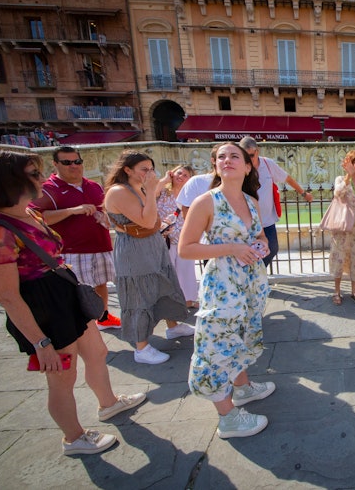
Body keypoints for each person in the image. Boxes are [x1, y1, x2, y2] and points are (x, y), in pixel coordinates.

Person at [0, 148, 145, 456]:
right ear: (7, 182)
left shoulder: (26, 213)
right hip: (44, 308)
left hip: (63, 295)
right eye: (34, 174)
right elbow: (7, 296)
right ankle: (74, 438)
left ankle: (108, 403)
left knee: (97, 352)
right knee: (62, 378)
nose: (42, 178)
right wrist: (41, 343)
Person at [178, 141, 275, 439]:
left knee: (240, 336)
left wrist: (262, 244)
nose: (227, 160)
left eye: (235, 156)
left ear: (247, 166)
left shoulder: (251, 200)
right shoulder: (206, 202)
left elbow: (260, 235)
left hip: (249, 282)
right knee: (216, 344)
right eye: (221, 157)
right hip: (222, 284)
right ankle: (227, 417)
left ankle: (242, 388)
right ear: (216, 166)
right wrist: (232, 248)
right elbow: (185, 248)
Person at [104, 150, 191, 365]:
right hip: (135, 250)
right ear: (127, 170)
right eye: (144, 169)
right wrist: (152, 190)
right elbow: (147, 220)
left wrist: (153, 189)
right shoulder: (119, 192)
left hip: (152, 244)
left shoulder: (139, 188)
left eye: (151, 168)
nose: (149, 173)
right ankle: (141, 348)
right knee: (138, 295)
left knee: (165, 284)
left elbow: (153, 219)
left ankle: (173, 327)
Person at [30, 146, 120, 331]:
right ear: (55, 164)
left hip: (100, 246)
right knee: (78, 291)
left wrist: (105, 217)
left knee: (101, 284)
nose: (74, 166)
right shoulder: (47, 189)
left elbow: (104, 210)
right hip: (72, 251)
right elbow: (37, 218)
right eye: (67, 162)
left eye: (77, 161)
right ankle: (83, 328)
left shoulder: (93, 185)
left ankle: (103, 318)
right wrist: (72, 211)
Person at [239, 136, 313, 267]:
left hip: (267, 220)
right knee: (247, 253)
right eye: (245, 156)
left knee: (272, 248)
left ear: (257, 151)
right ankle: (254, 274)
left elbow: (288, 179)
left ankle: (257, 272)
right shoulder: (239, 167)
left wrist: (303, 193)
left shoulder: (268, 164)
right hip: (247, 221)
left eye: (251, 155)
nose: (248, 159)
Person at [329, 150, 355, 305]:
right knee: (339, 257)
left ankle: (354, 291)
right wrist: (348, 175)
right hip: (342, 226)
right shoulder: (341, 179)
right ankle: (336, 291)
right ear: (350, 163)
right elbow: (337, 194)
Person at [156, 165, 199, 308]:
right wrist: (164, 180)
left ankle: (188, 300)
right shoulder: (163, 192)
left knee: (186, 271)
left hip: (184, 237)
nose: (181, 176)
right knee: (168, 272)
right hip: (165, 238)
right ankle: (170, 302)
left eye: (186, 175)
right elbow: (149, 195)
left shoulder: (191, 196)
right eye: (179, 173)